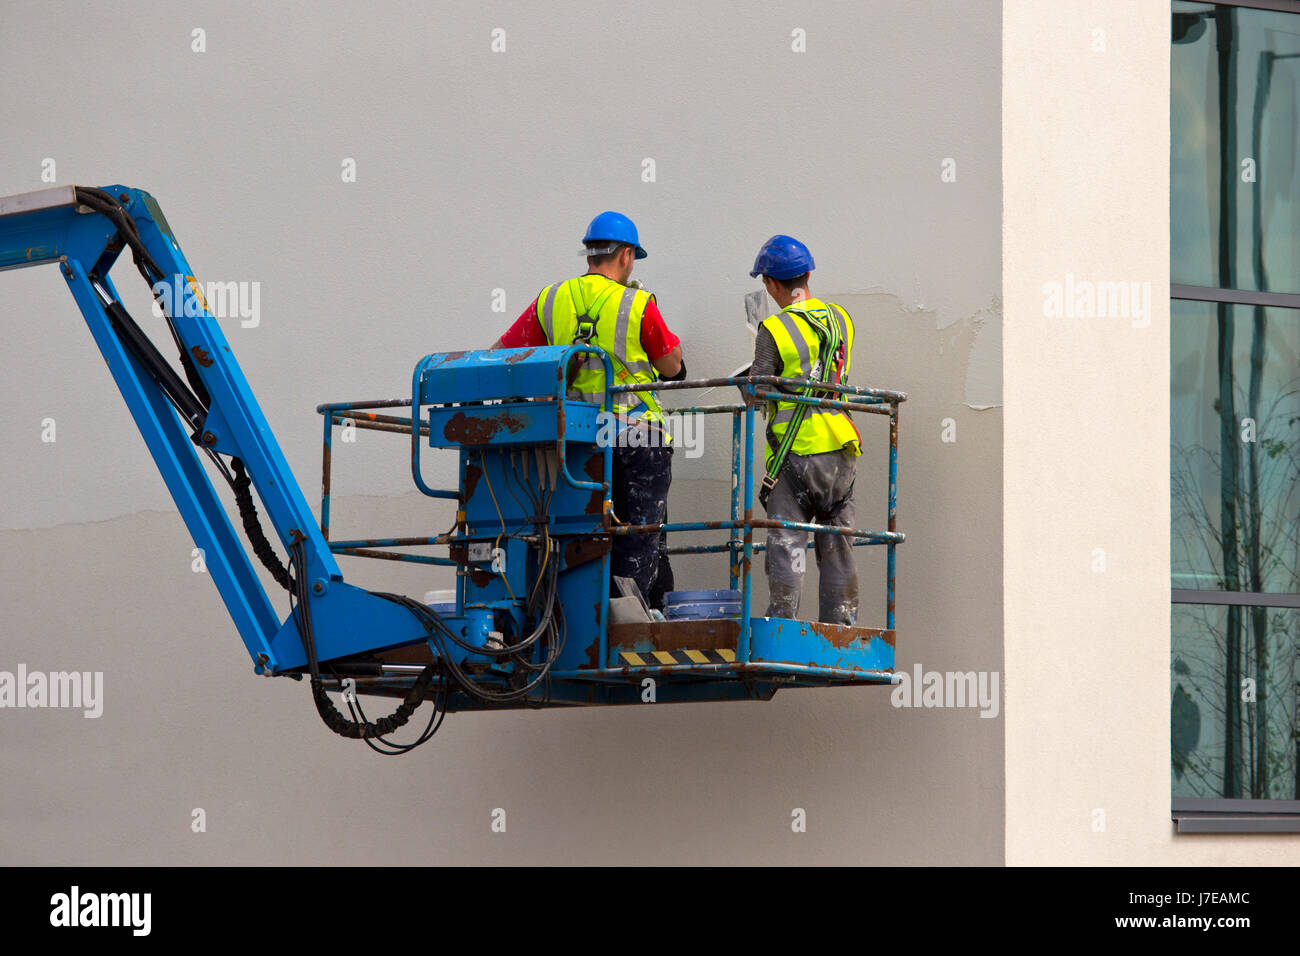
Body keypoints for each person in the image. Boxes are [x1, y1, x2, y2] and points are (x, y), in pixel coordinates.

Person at [492, 211, 685, 609]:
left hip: (576, 441)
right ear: (627, 255)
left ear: (589, 255)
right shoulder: (636, 303)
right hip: (636, 437)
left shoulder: (551, 299)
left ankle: (584, 624)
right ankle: (626, 628)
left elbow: (502, 357)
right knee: (638, 539)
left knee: (580, 537)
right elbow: (672, 367)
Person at [747, 234, 861, 626]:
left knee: (786, 541)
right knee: (838, 544)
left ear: (772, 284)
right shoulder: (841, 319)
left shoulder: (774, 329)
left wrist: (753, 383)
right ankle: (841, 626)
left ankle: (781, 624)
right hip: (842, 450)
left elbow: (759, 390)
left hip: (796, 454)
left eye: (766, 283)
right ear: (808, 274)